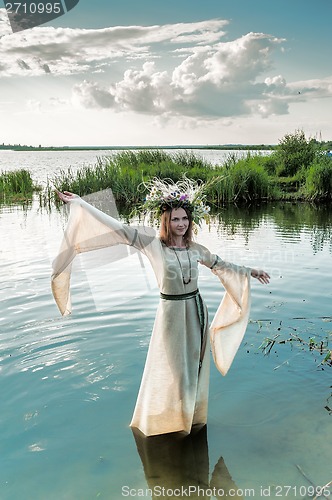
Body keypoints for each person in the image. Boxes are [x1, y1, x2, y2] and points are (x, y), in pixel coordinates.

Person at [52, 177, 269, 437]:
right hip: (171, 313)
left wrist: (251, 271)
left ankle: (191, 417)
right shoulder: (153, 244)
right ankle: (169, 420)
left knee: (195, 368)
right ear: (166, 221)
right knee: (177, 370)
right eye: (175, 219)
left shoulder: (195, 249)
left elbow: (222, 265)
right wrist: (82, 204)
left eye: (185, 219)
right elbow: (120, 228)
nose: (181, 224)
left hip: (197, 312)